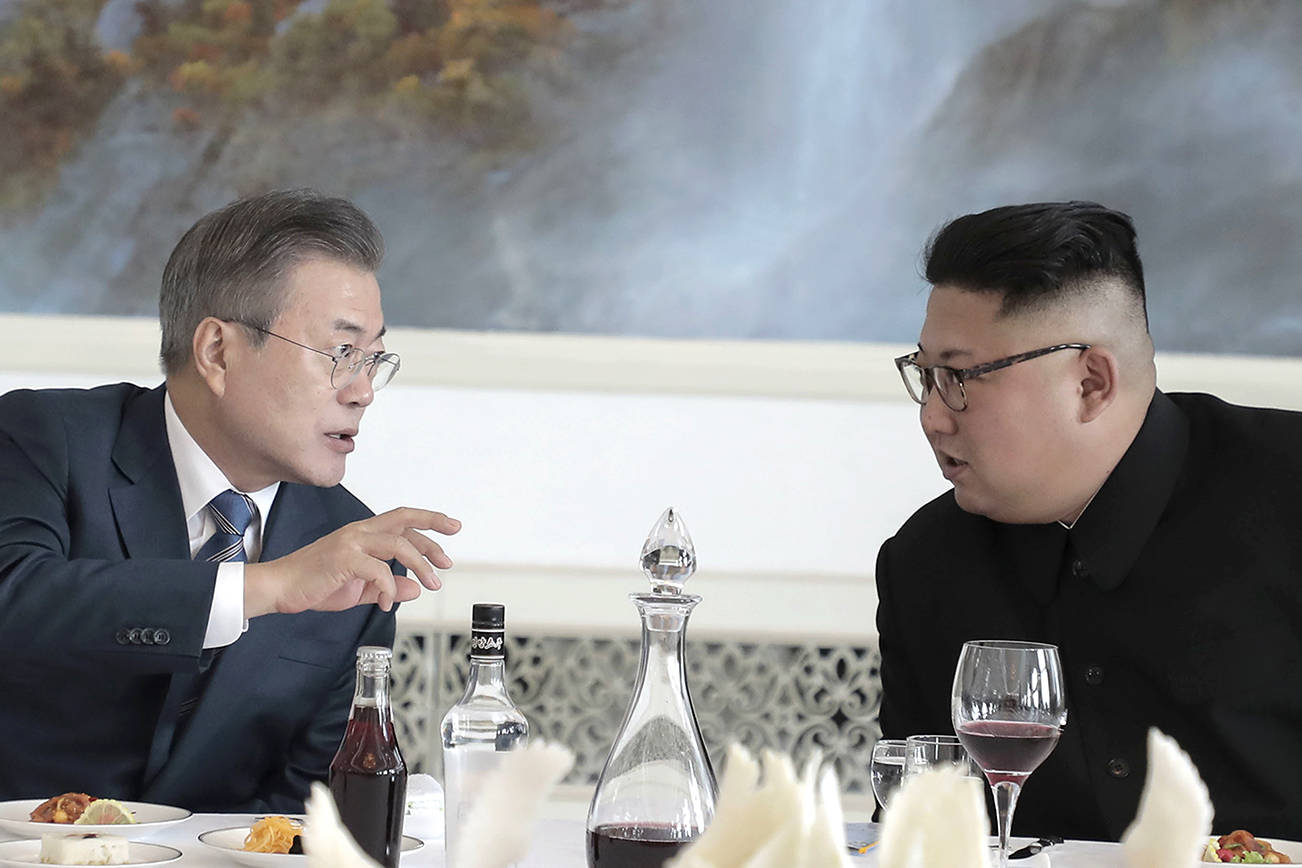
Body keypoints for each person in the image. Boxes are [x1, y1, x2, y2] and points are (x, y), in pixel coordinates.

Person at [0, 189, 460, 812]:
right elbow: (17, 600)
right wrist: (261, 587)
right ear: (218, 351)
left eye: (374, 359)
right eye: (341, 353)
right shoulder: (42, 437)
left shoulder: (350, 543)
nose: (362, 392)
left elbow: (307, 804)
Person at [875, 201, 1302, 841]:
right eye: (926, 376)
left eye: (960, 377)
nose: (933, 418)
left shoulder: (1288, 493)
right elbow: (912, 834)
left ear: (1091, 383)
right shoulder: (924, 562)